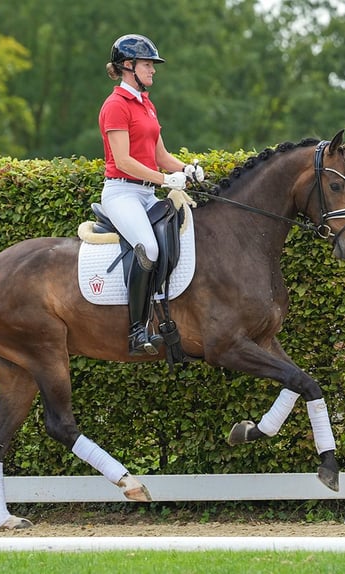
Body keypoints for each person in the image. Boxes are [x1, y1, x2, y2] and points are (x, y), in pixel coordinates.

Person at [99, 33, 204, 357]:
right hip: (122, 194)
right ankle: (135, 330)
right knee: (149, 248)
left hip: (146, 193)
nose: (153, 70)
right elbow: (124, 160)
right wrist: (165, 180)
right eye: (148, 64)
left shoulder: (146, 104)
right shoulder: (115, 105)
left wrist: (186, 168)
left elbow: (160, 155)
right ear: (128, 66)